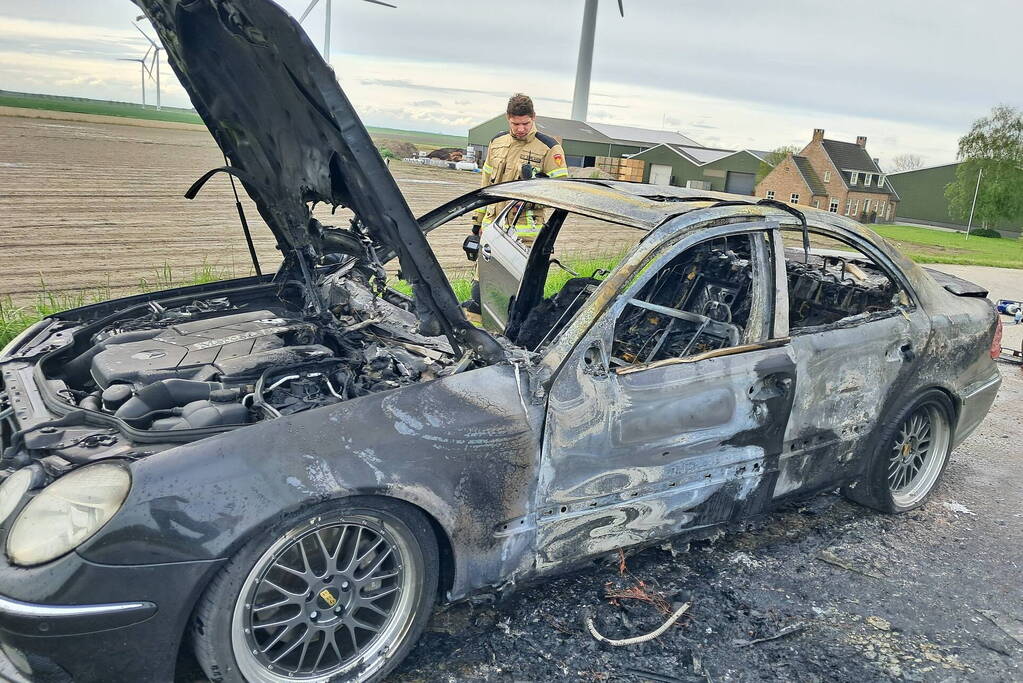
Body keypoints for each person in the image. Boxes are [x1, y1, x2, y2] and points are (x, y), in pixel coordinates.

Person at [462, 93, 569, 318]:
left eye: (525, 123)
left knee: (517, 296)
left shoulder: (549, 148)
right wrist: (477, 224)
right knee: (480, 292)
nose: (520, 129)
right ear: (507, 119)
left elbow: (562, 191)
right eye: (515, 123)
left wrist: (535, 185)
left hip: (525, 236)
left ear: (533, 118)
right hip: (492, 229)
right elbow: (485, 185)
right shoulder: (497, 143)